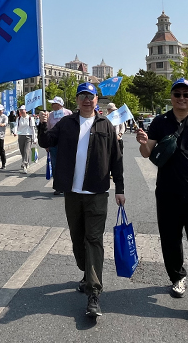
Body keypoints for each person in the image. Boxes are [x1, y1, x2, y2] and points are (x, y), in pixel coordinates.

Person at [37, 82, 125, 318]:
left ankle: (94, 293)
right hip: (72, 193)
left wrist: (120, 187)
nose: (87, 100)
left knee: (93, 239)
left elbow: (116, 158)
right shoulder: (66, 123)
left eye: (91, 96)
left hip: (97, 193)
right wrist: (43, 123)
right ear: (76, 100)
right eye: (82, 96)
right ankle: (87, 273)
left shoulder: (105, 124)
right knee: (78, 240)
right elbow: (46, 142)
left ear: (97, 100)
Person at [136, 77, 188, 323]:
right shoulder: (160, 122)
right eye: (177, 94)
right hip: (168, 195)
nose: (182, 98)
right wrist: (142, 143)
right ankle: (177, 277)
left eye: (186, 94)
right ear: (171, 97)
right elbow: (147, 152)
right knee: (171, 243)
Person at [46, 96, 73, 195]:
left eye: (54, 103)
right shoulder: (50, 115)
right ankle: (58, 186)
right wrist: (47, 144)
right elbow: (48, 129)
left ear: (59, 104)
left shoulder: (68, 113)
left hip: (66, 143)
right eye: (52, 104)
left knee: (67, 164)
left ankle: (68, 185)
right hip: (54, 143)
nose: (52, 105)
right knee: (55, 164)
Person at [15, 105, 37, 173]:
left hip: (28, 136)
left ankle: (24, 164)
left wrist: (34, 138)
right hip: (21, 136)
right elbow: (16, 126)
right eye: (20, 110)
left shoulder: (30, 118)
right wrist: (15, 132)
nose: (21, 111)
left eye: (22, 110)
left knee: (26, 151)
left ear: (25, 110)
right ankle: (26, 162)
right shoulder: (18, 118)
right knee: (22, 151)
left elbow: (33, 129)